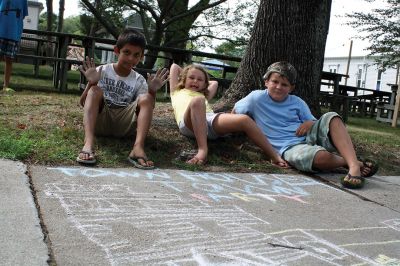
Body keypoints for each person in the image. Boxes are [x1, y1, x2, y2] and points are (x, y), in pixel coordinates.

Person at [233, 61, 379, 189]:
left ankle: (354, 167)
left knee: (332, 117)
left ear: (291, 87)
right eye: (274, 82)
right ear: (266, 81)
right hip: (289, 147)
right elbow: (234, 112)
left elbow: (314, 122)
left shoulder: (296, 101)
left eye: (284, 84)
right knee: (319, 158)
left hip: (307, 136)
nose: (278, 87)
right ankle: (350, 162)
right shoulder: (255, 98)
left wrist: (310, 123)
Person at [77, 28, 169, 169]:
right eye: (126, 52)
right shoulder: (102, 71)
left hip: (124, 124)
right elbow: (83, 103)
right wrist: (92, 83)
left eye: (136, 55)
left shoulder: (139, 80)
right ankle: (88, 143)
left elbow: (147, 107)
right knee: (95, 91)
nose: (131, 58)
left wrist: (152, 91)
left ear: (141, 57)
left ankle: (138, 148)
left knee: (146, 97)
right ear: (117, 50)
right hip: (101, 120)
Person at [169, 62, 288, 167]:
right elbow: (174, 67)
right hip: (189, 123)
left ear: (205, 84)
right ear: (183, 79)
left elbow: (214, 83)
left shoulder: (204, 94)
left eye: (200, 80)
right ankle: (202, 150)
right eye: (191, 78)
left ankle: (274, 155)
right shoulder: (176, 91)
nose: (195, 81)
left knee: (244, 119)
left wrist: (204, 82)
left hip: (209, 120)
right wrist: (190, 71)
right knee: (197, 101)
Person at [0, 0, 28, 92]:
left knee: (9, 60)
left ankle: (5, 86)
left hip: (14, 32)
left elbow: (23, 15)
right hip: (1, 30)